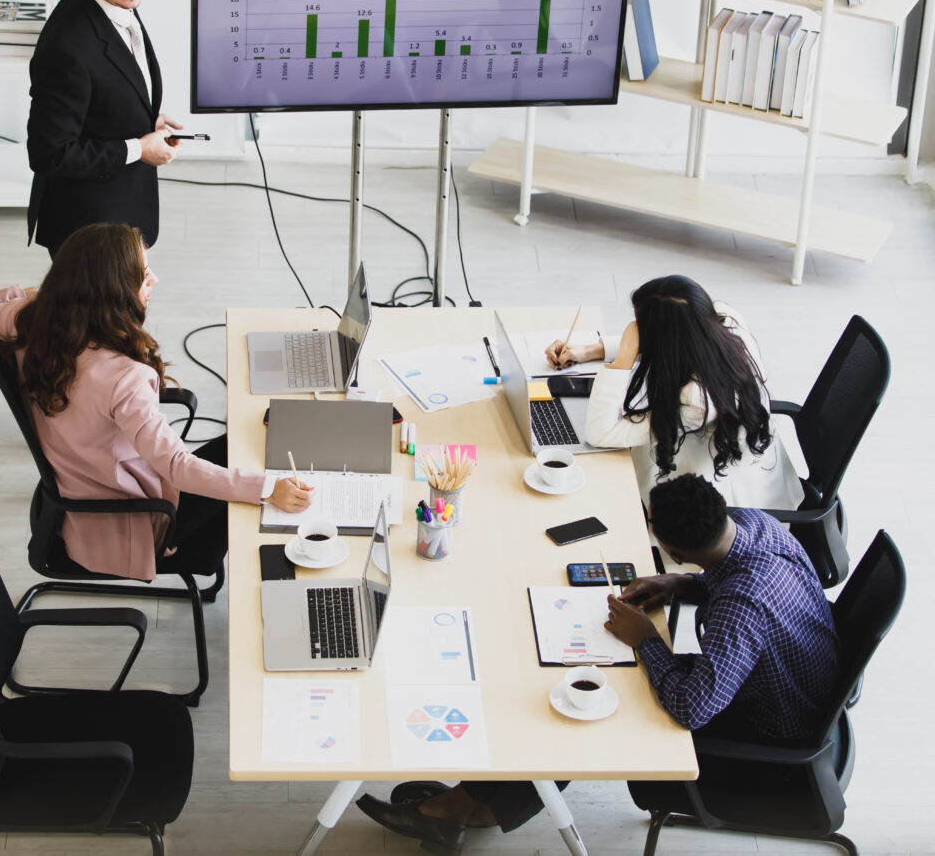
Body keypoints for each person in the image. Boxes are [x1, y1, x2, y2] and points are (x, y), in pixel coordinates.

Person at [356, 474, 839, 852]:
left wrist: (647, 640)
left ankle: (461, 808)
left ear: (674, 549)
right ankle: (468, 806)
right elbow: (727, 581)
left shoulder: (742, 610)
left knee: (578, 712)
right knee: (574, 695)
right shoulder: (757, 525)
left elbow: (693, 709)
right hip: (779, 686)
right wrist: (679, 584)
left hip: (765, 740)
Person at [0, 223, 312, 581]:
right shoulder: (122, 377)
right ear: (112, 292)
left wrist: (34, 295)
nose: (154, 280)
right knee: (252, 470)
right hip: (129, 517)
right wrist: (266, 489)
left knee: (242, 451)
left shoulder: (33, 321)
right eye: (144, 274)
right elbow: (177, 467)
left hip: (85, 481)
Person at [544, 274, 803, 511]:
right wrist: (588, 350)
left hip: (722, 503)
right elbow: (671, 334)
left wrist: (623, 357)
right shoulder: (725, 320)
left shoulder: (696, 400)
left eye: (640, 326)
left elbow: (601, 433)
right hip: (741, 455)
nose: (635, 330)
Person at [27, 0, 183, 256]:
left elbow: (105, 87)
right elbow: (50, 153)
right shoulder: (67, 46)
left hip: (119, 218)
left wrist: (140, 119)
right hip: (88, 231)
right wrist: (139, 148)